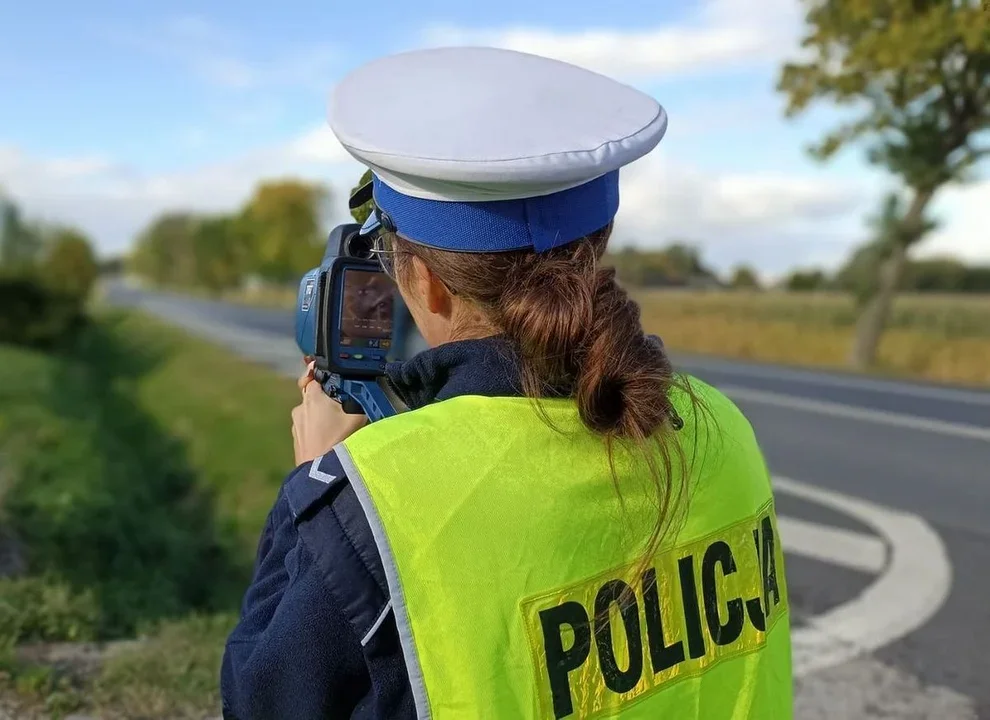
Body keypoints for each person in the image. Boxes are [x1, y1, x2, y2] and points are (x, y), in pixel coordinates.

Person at [221, 46, 792, 719]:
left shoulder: (373, 508)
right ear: (600, 237)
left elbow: (260, 700)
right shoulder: (722, 425)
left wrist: (314, 491)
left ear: (424, 283)